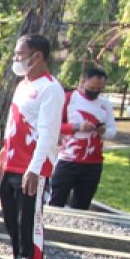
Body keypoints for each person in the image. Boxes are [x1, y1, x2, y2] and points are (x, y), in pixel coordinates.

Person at [0, 34, 63, 259]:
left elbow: (48, 133)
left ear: (37, 56)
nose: (16, 59)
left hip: (32, 167)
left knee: (29, 220)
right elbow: (14, 126)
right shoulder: (23, 85)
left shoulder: (50, 88)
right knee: (11, 218)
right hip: (12, 163)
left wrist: (33, 169)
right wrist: (1, 156)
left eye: (20, 54)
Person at [49, 66, 117, 210]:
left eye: (99, 89)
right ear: (83, 81)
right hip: (68, 159)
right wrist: (76, 127)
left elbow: (112, 130)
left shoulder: (105, 105)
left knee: (82, 205)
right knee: (56, 201)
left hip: (93, 162)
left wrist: (102, 131)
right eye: (92, 88)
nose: (95, 92)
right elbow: (53, 125)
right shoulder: (69, 98)